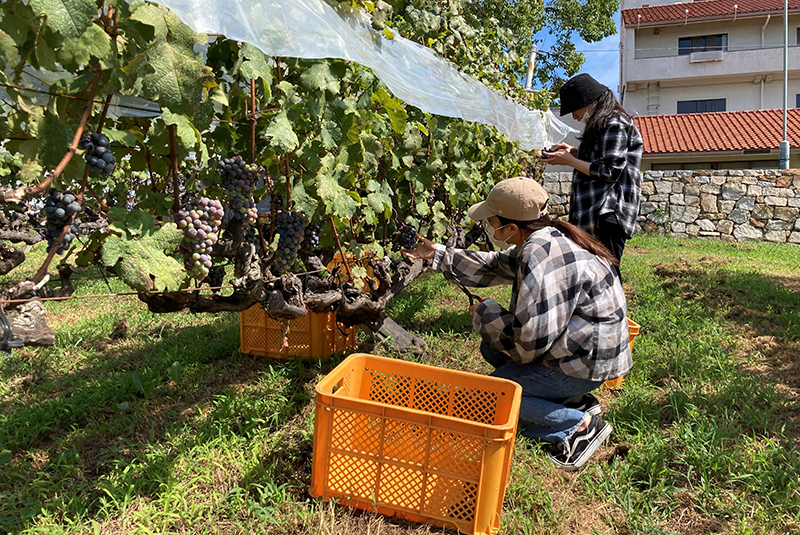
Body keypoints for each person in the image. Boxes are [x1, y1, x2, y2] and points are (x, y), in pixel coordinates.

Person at [403, 177, 632, 471]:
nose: (488, 226)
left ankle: (577, 427)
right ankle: (571, 399)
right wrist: (436, 253)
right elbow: (492, 265)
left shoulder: (541, 258)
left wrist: (487, 315)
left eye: (492, 220)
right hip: (587, 357)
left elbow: (528, 344)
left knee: (485, 401)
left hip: (583, 365)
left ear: (511, 228)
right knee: (492, 348)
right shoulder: (547, 237)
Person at [542, 73, 643, 270]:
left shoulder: (616, 122)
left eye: (575, 109)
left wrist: (571, 161)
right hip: (594, 212)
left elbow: (609, 170)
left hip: (607, 213)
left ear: (590, 102)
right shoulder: (604, 123)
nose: (574, 116)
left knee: (606, 276)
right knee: (592, 275)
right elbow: (601, 159)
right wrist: (573, 153)